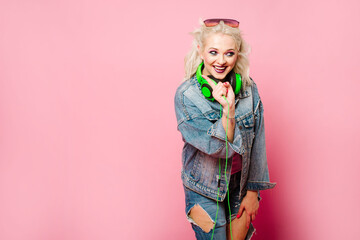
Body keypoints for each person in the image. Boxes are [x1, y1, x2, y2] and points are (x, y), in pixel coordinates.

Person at [174, 19, 276, 240]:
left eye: (229, 53)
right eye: (213, 52)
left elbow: (258, 141)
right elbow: (219, 148)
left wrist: (252, 191)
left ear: (237, 54)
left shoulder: (249, 90)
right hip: (203, 190)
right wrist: (228, 109)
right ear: (200, 52)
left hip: (240, 186)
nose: (221, 61)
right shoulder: (187, 96)